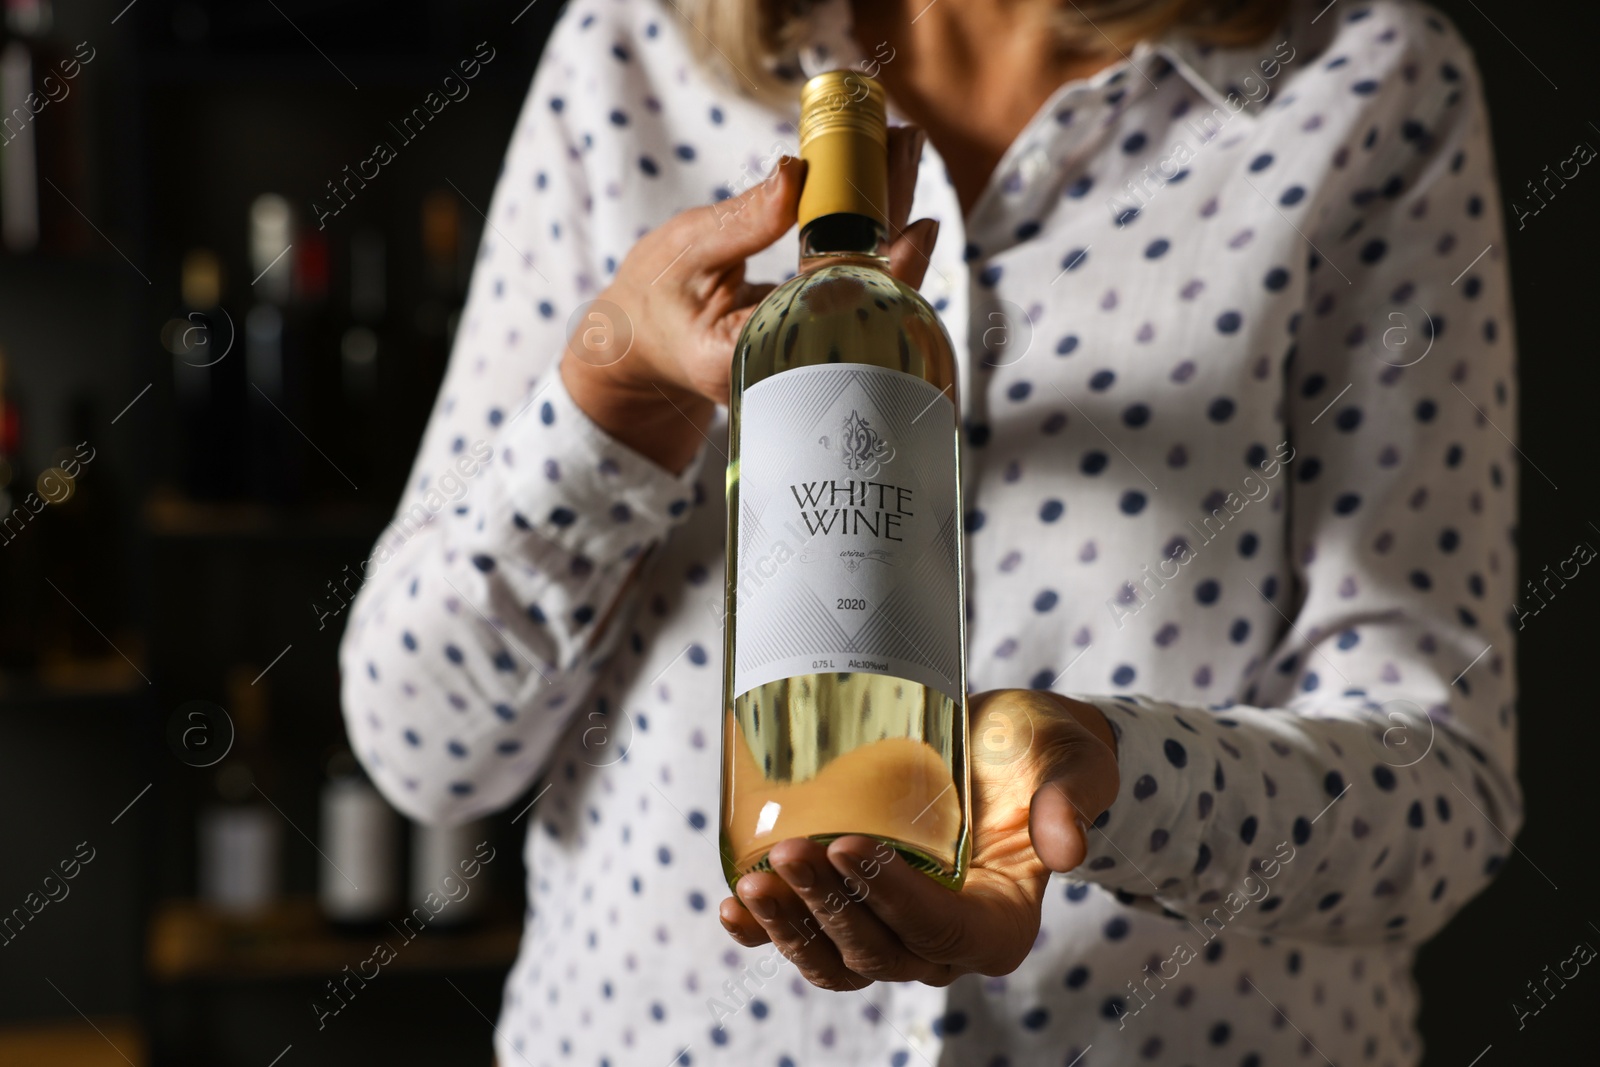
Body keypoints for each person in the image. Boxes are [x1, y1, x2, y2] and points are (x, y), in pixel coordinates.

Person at [339, 0, 1521, 1062]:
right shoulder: (634, 48)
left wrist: (1114, 779)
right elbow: (423, 744)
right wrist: (623, 401)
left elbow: (1442, 785)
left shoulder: (1366, 74)